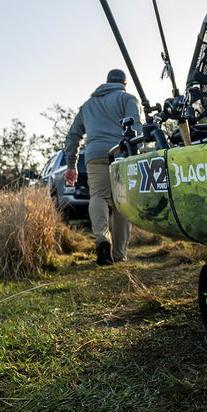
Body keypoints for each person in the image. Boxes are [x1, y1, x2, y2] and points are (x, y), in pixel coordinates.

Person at [64, 69, 141, 265]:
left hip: (95, 155)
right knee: (121, 203)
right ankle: (118, 255)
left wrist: (71, 164)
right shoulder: (128, 99)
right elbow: (136, 128)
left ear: (106, 82)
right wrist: (137, 152)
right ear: (124, 84)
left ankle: (102, 239)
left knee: (98, 196)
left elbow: (73, 136)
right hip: (121, 154)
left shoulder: (88, 105)